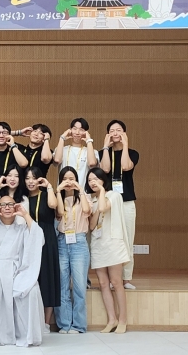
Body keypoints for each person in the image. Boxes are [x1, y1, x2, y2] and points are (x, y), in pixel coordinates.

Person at [0, 197, 45, 347]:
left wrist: (25, 214)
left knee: (31, 292)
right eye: (3, 205)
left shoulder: (22, 228)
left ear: (16, 207)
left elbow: (39, 236)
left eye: (11, 204)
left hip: (17, 270)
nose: (7, 207)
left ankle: (26, 335)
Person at [87, 168, 130, 334]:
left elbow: (105, 208)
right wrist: (95, 205)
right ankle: (111, 320)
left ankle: (123, 320)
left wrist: (102, 191)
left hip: (112, 242)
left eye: (96, 179)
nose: (93, 182)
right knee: (103, 283)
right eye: (90, 180)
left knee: (116, 282)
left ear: (103, 180)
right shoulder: (91, 199)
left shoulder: (114, 195)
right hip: (98, 243)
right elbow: (91, 226)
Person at [99, 120, 139, 289]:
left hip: (126, 201)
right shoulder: (102, 153)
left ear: (124, 133)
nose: (115, 133)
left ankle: (126, 278)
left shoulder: (132, 153)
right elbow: (105, 169)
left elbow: (125, 166)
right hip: (108, 201)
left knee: (127, 238)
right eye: (112, 131)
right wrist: (106, 147)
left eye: (119, 130)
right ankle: (111, 279)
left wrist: (125, 144)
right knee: (109, 239)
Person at [54, 166, 91, 334]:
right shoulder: (57, 198)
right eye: (65, 179)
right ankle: (64, 323)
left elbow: (87, 210)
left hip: (79, 242)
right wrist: (58, 191)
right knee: (62, 285)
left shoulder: (84, 197)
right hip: (62, 241)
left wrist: (80, 189)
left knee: (78, 285)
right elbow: (60, 213)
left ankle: (79, 325)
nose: (68, 182)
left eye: (72, 178)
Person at [24, 166, 60, 333]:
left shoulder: (46, 195)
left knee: (47, 279)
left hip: (47, 237)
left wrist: (49, 186)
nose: (31, 181)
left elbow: (53, 205)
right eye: (28, 178)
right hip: (29, 238)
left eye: (34, 178)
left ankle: (46, 323)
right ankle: (30, 321)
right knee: (31, 279)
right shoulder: (22, 198)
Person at [52, 118, 99, 189]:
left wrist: (89, 141)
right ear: (70, 130)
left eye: (81, 130)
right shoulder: (62, 149)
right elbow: (57, 160)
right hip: (63, 192)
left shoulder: (92, 151)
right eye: (74, 129)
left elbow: (92, 163)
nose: (77, 132)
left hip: (82, 193)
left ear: (86, 132)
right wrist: (62, 138)